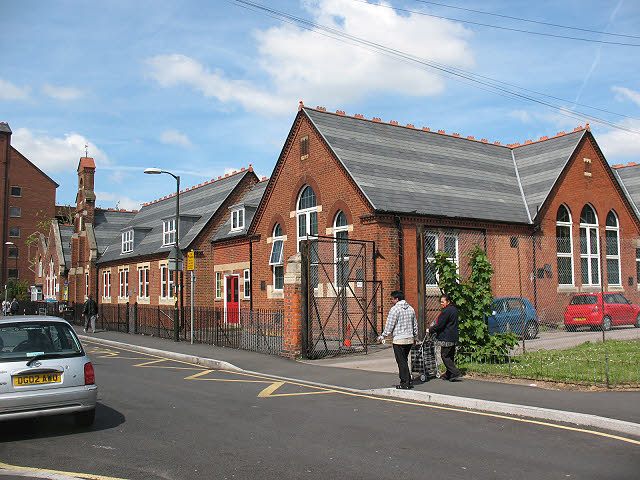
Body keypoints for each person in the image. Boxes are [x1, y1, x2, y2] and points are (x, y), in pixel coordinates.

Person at [378, 290, 418, 389]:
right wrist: (415, 337)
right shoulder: (411, 309)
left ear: (397, 299)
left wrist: (383, 336)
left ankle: (405, 382)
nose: (392, 301)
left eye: (392, 299)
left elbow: (390, 325)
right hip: (409, 338)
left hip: (399, 339)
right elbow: (415, 325)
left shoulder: (394, 310)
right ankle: (407, 379)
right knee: (404, 360)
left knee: (401, 361)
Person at [428, 294, 463, 381]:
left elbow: (440, 324)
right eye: (441, 302)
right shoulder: (454, 310)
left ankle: (455, 372)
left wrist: (431, 330)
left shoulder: (446, 311)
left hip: (446, 336)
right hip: (453, 336)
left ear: (448, 302)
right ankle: (449, 374)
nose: (441, 303)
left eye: (443, 302)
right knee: (450, 356)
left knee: (444, 356)